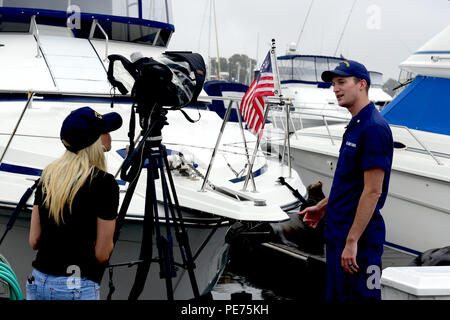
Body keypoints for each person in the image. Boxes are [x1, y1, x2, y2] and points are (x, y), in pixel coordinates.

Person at [299, 60, 393, 300]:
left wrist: (352, 241)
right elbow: (352, 185)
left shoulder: (373, 128)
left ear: (361, 84)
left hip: (359, 245)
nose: (335, 88)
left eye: (341, 82)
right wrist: (322, 206)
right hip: (338, 237)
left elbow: (373, 191)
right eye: (333, 84)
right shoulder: (356, 124)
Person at [27, 106, 123, 300]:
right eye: (104, 131)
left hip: (38, 281)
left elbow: (34, 240)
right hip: (74, 285)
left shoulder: (48, 177)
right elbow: (103, 253)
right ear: (94, 141)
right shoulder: (105, 183)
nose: (109, 136)